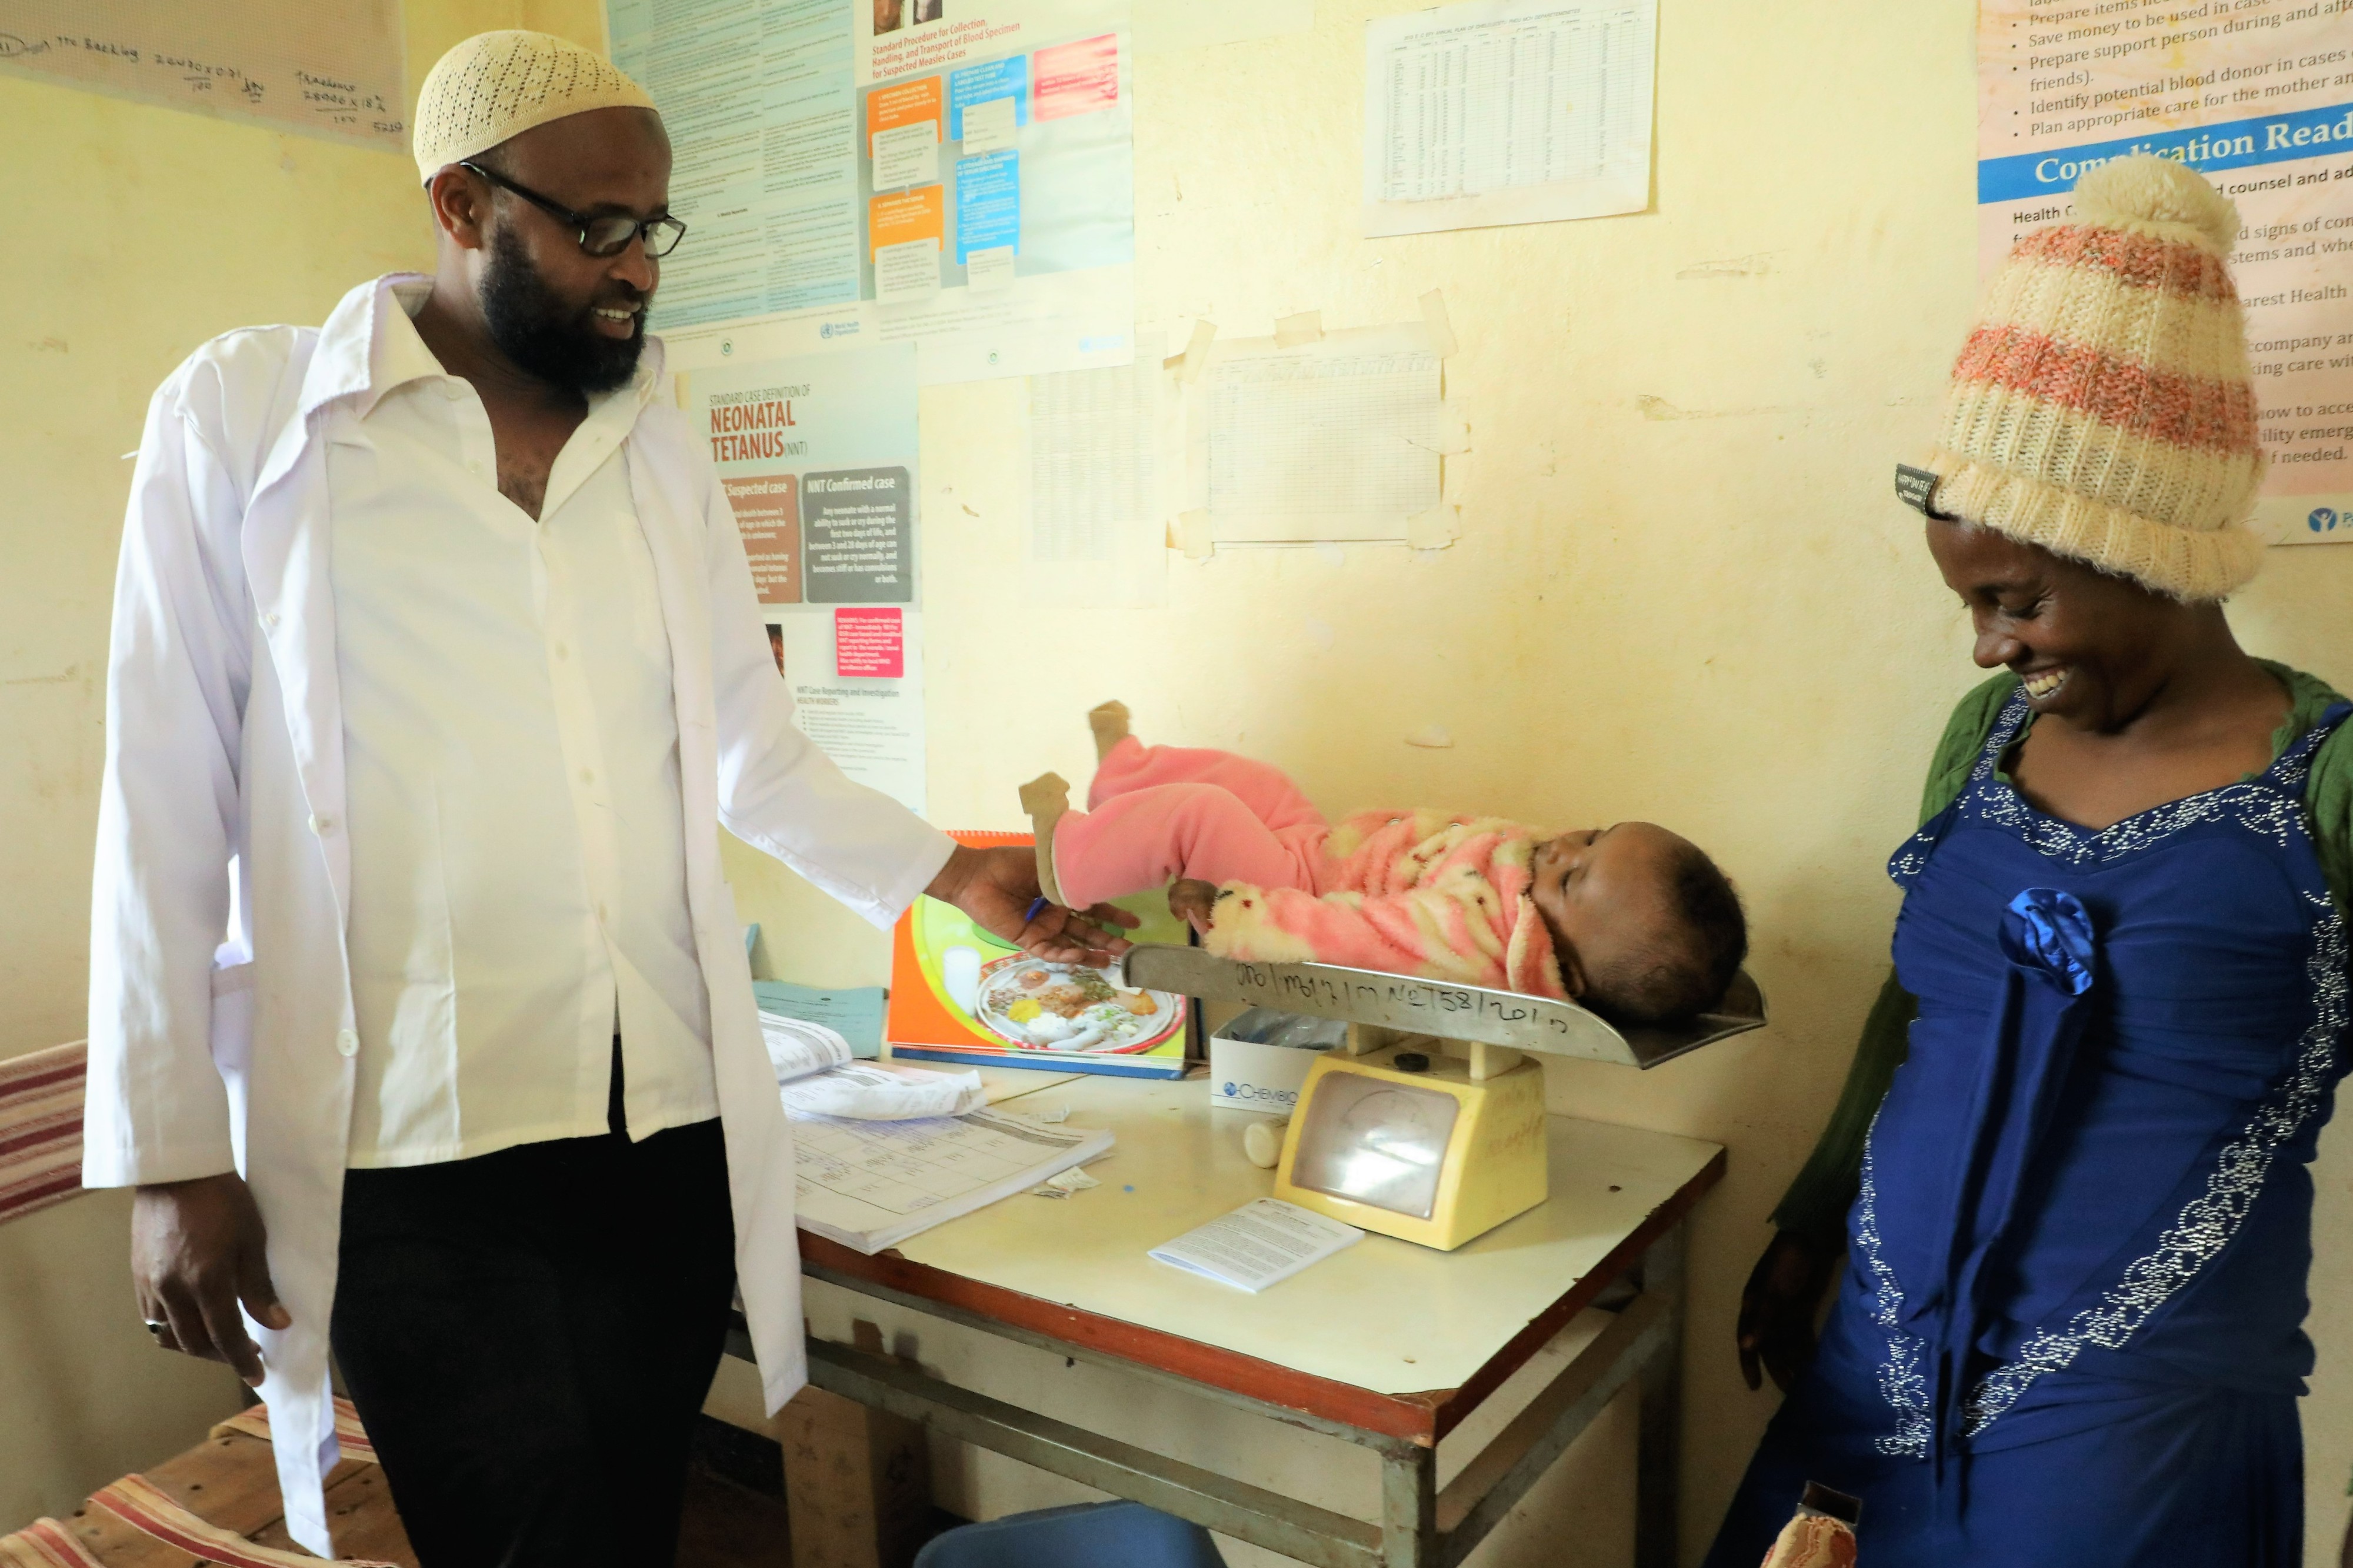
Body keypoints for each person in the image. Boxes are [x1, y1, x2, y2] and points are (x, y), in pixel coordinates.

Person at [82, 31, 1125, 1567]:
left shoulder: (654, 452)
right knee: (526, 1538)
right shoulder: (248, 417)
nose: (640, 269)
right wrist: (169, 1152)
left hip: (658, 1134)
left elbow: (746, 755)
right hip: (407, 1157)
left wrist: (952, 876)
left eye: (656, 226)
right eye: (598, 228)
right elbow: (160, 792)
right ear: (461, 203)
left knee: (630, 1520)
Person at [1707, 154, 2353, 1566]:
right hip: (1872, 1372)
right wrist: (1813, 1219)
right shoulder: (1982, 737)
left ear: (2146, 553)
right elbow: (1917, 1006)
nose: (1990, 645)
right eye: (1970, 603)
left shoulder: (2325, 783)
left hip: (2140, 1424)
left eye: (2016, 598)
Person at [1022, 702, 1747, 1025]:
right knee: (1255, 782)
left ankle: (1071, 864)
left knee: (1203, 814)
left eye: (1572, 877)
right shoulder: (1528, 879)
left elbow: (1365, 938)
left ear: (1571, 968)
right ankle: (1122, 775)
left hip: (1299, 894)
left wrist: (1242, 912)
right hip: (1319, 851)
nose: (1562, 848)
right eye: (1593, 834)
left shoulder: (1482, 939)